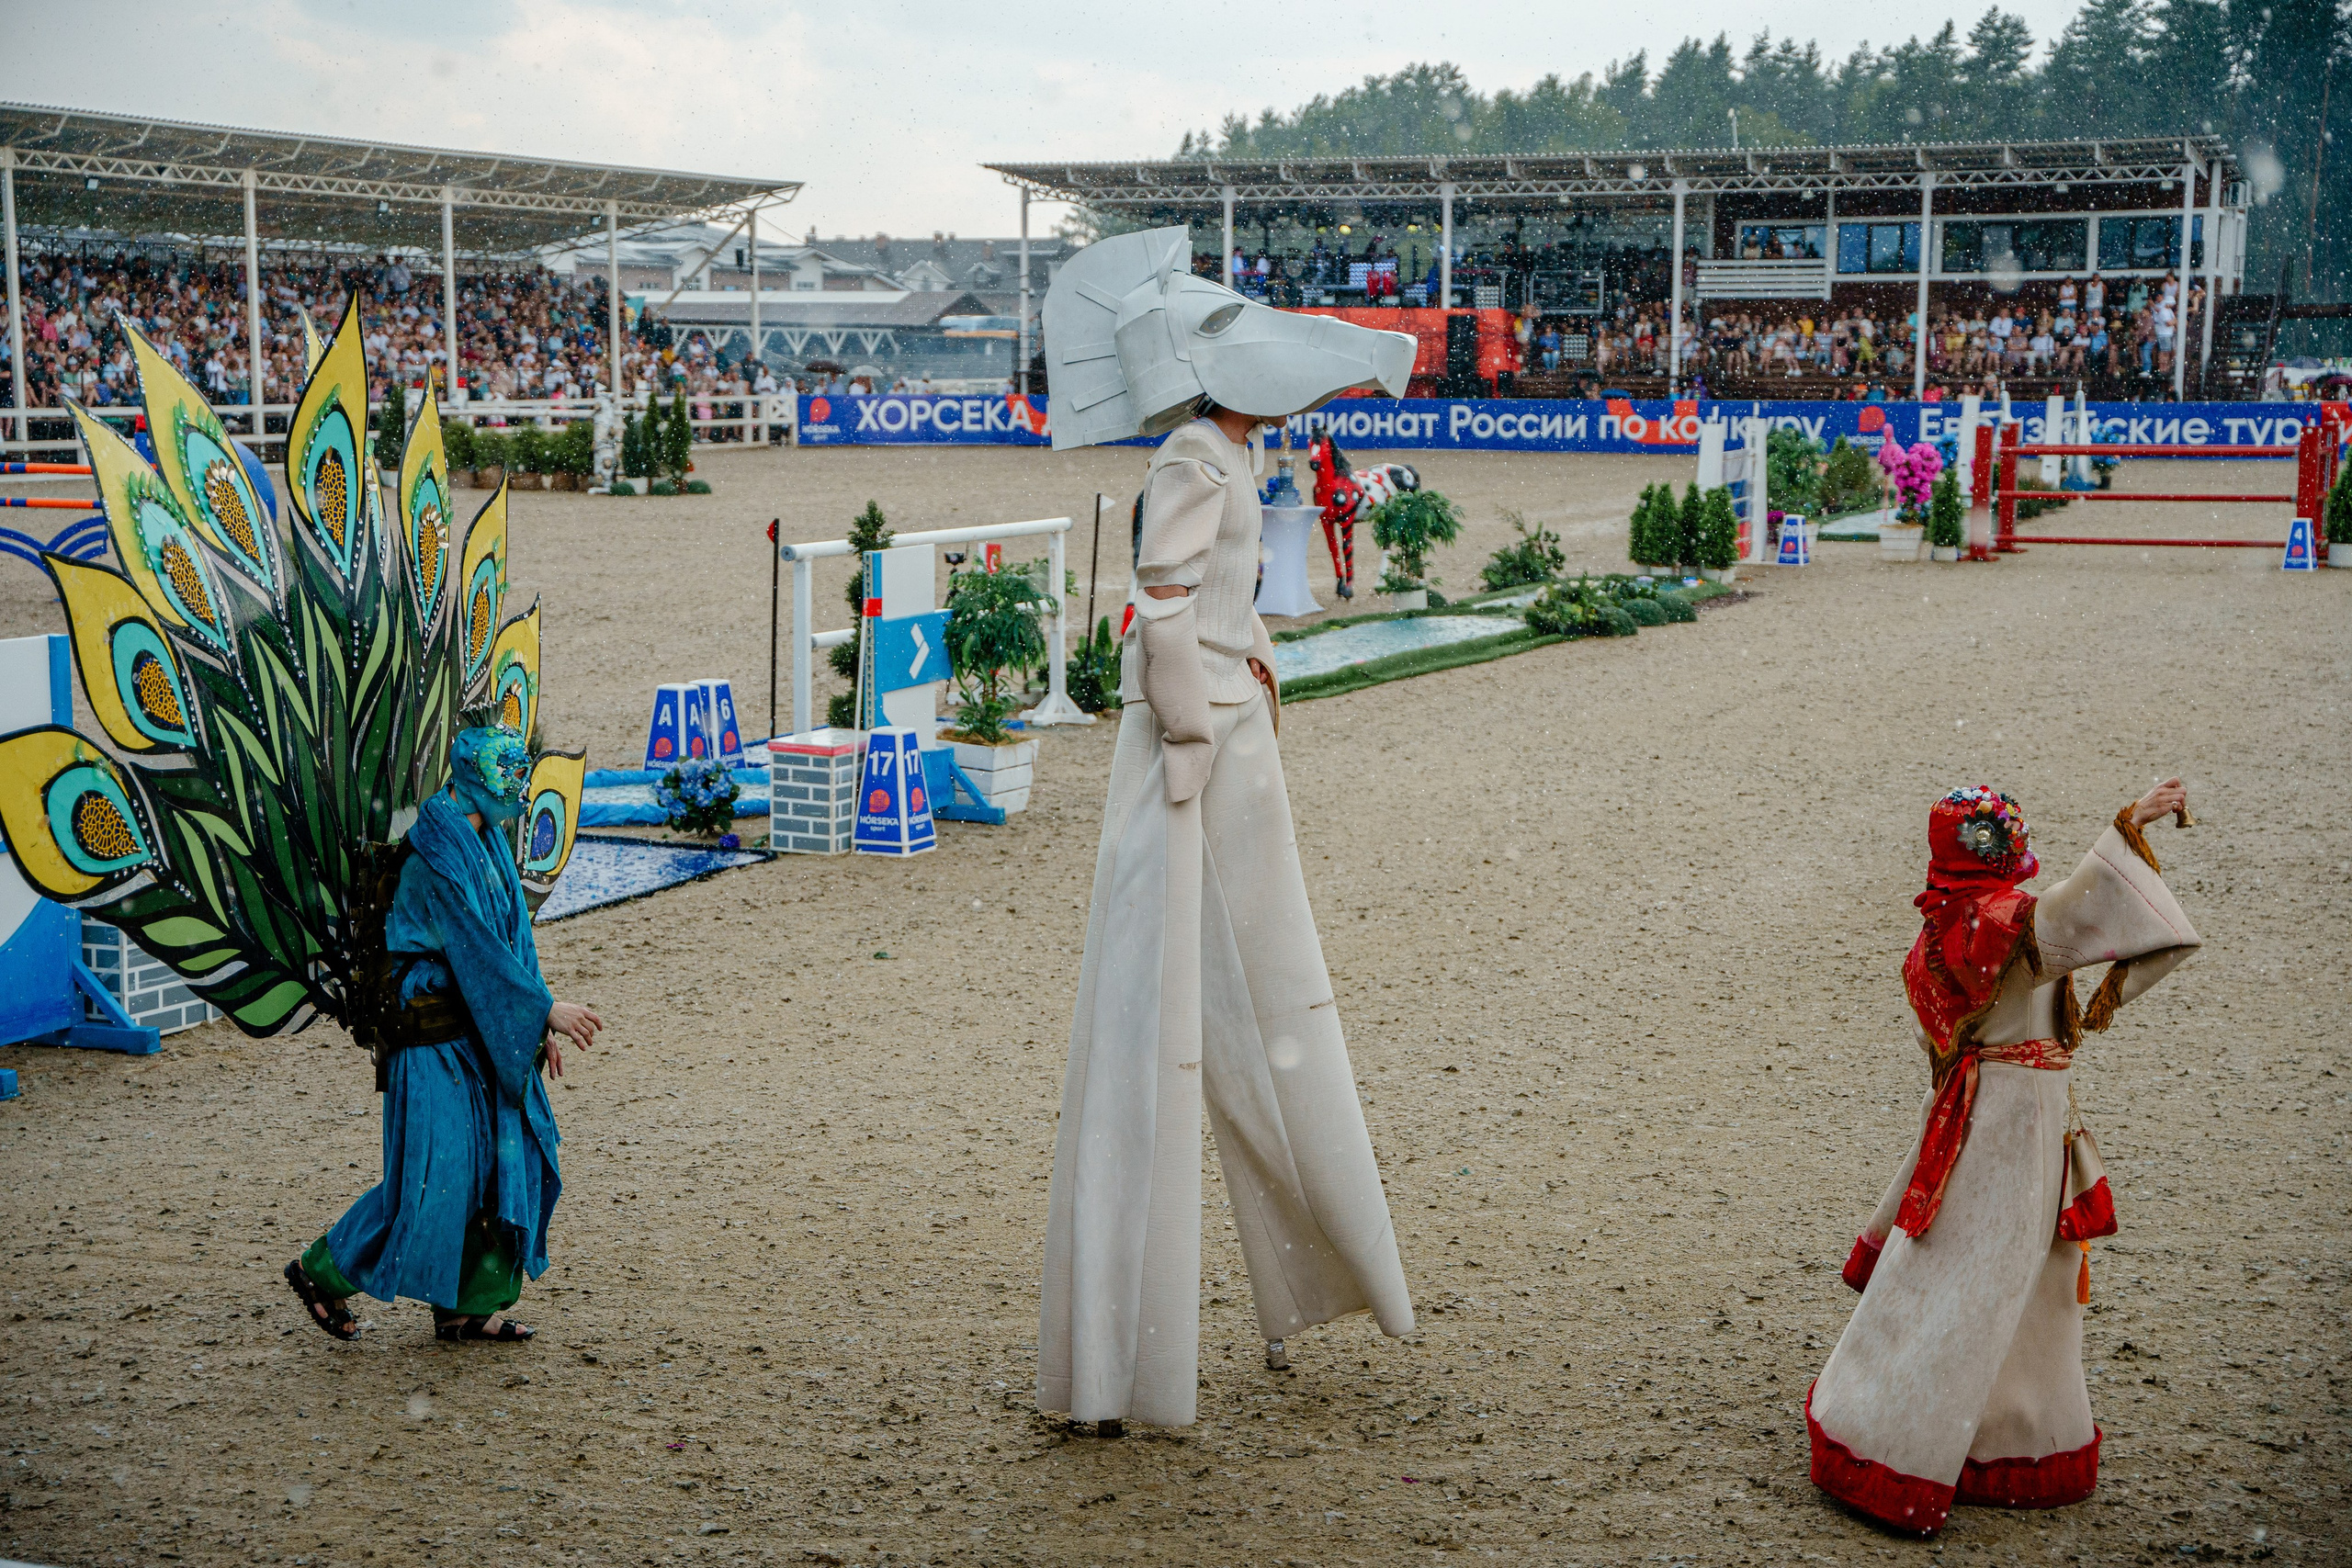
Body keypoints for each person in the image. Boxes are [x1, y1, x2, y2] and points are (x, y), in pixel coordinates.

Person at [1038, 228, 1417, 1436]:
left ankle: (1301, 1271)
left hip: (1228, 729)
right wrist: (1194, 724)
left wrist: (1246, 652)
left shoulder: (1218, 450)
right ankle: (1128, 1350)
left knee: (1264, 991)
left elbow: (1206, 597)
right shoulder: (1197, 456)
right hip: (1197, 748)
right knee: (1187, 1005)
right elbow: (1157, 601)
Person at [1809, 780, 2201, 1535]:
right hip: (2023, 1121)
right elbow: (2081, 909)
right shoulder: (2009, 925)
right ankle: (1972, 1444)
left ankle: (1894, 1418)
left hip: (1966, 1113)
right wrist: (2128, 822)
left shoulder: (1928, 944)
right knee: (2009, 1279)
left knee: (1952, 1271)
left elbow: (1937, 1050)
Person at [285, 728, 605, 1343]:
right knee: (433, 1177)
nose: (518, 794)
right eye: (508, 782)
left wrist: (535, 1022)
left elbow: (511, 939)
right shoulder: (436, 851)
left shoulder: (481, 836)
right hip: (429, 1036)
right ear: (478, 781)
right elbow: (474, 950)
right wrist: (541, 1010)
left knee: (492, 1163)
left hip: (474, 1029)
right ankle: (319, 1271)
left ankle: (465, 1307)